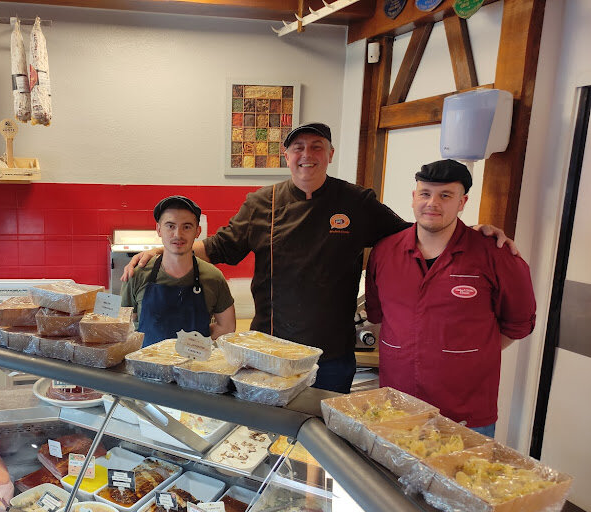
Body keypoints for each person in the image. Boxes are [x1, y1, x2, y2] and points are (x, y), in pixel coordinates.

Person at [123, 123, 516, 393]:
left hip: (332, 355)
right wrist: (167, 248)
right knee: (268, 441)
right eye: (298, 148)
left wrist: (473, 231)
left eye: (316, 147)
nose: (306, 155)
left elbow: (412, 235)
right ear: (286, 155)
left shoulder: (356, 201)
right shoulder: (263, 203)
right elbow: (219, 246)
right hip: (268, 351)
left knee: (323, 446)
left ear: (330, 154)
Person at [365, 159, 536, 437]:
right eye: (425, 193)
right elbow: (378, 316)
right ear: (414, 197)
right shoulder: (385, 252)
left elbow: (518, 325)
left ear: (462, 202)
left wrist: (465, 355)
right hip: (397, 406)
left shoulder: (496, 255)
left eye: (445, 195)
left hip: (465, 413)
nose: (432, 203)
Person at [121, 195, 236, 346]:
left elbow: (227, 327)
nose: (178, 234)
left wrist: (199, 343)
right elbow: (124, 327)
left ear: (197, 231)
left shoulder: (213, 277)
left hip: (194, 360)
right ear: (159, 229)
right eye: (170, 226)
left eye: (186, 227)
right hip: (146, 360)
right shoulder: (137, 274)